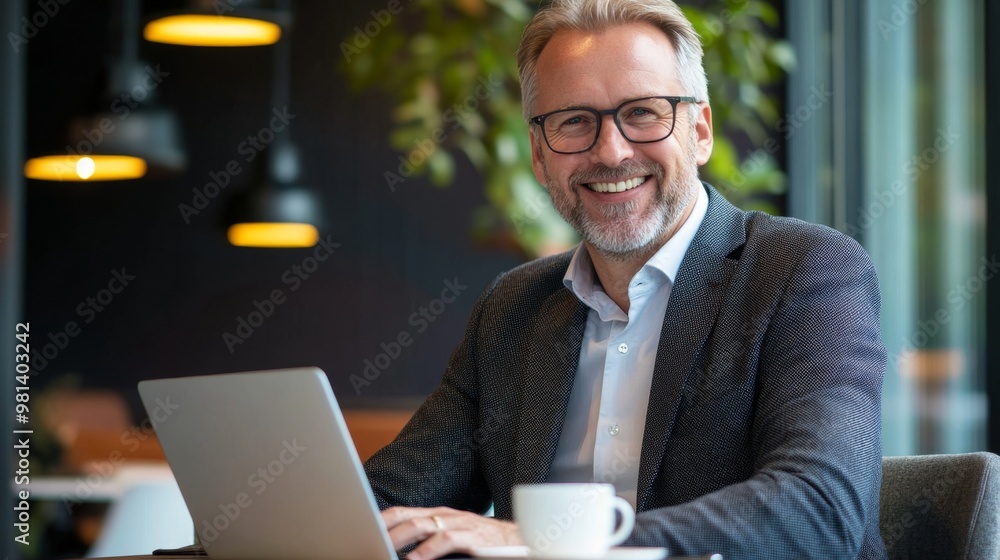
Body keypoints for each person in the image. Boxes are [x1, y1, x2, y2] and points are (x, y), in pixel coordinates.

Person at [364, 0, 887, 558]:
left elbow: (821, 508)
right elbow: (387, 501)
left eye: (642, 112)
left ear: (701, 131)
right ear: (539, 158)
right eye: (574, 121)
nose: (610, 151)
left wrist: (548, 544)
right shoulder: (512, 309)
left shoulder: (806, 270)